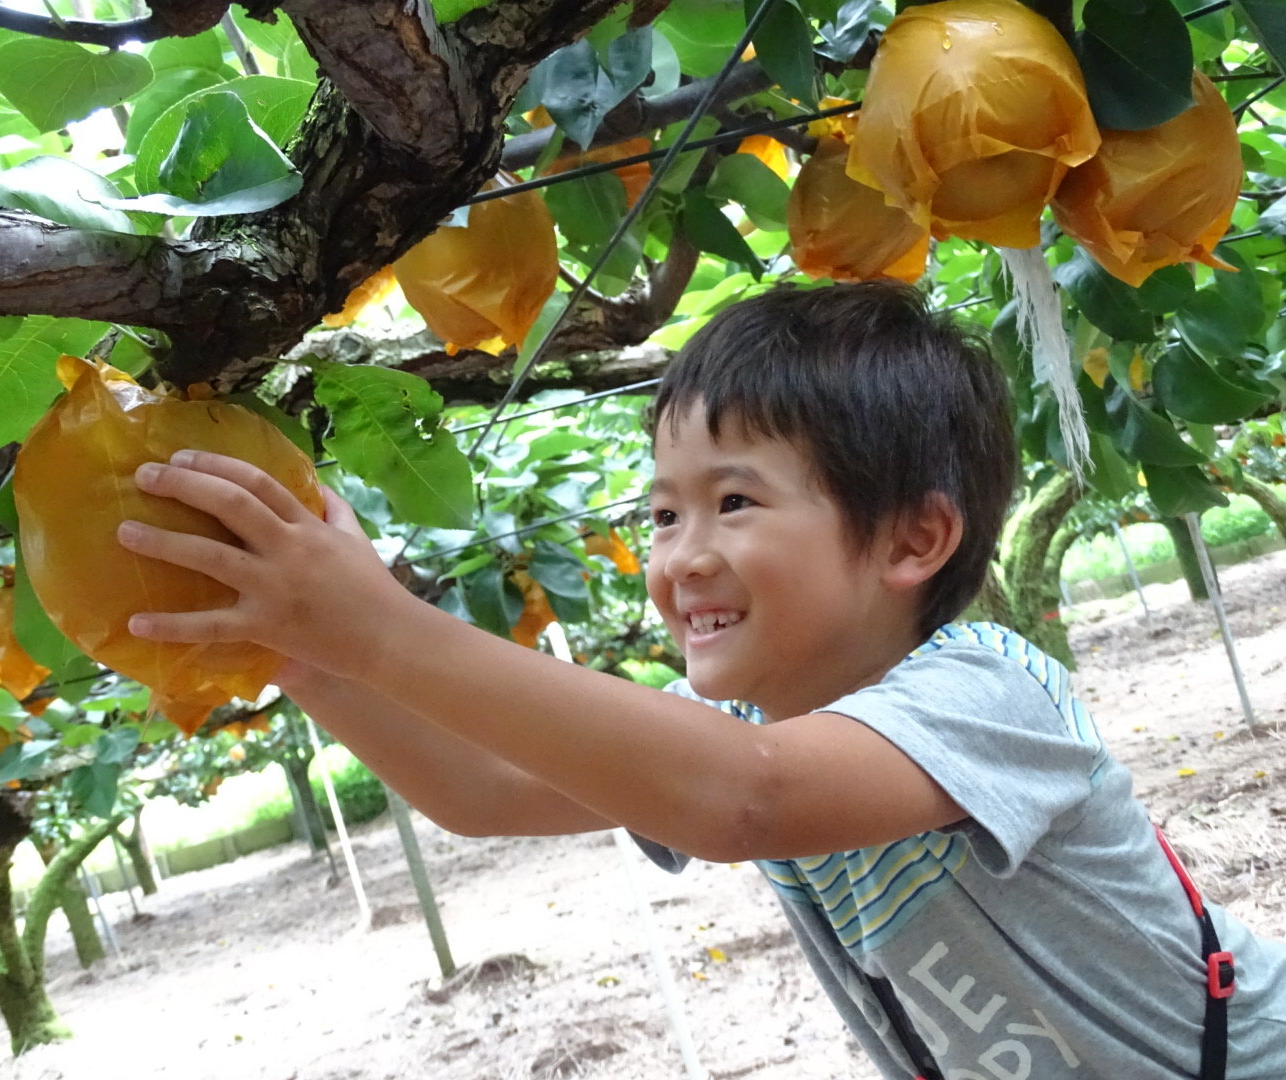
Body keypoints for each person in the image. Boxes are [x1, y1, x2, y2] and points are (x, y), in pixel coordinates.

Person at [116, 282, 1286, 1078]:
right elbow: (477, 788)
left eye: (733, 502)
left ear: (913, 540)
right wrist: (295, 647)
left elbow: (744, 801)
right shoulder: (731, 724)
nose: (679, 557)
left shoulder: (985, 692)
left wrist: (376, 625)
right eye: (664, 513)